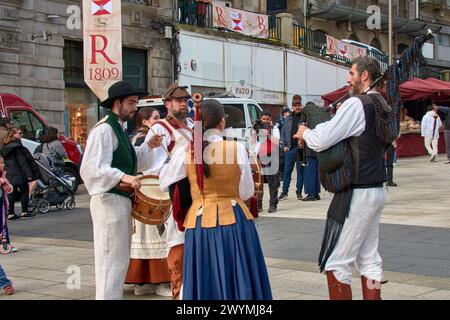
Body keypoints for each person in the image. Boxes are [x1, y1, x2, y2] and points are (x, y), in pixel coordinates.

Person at [296, 56, 393, 300]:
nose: (348, 79)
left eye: (352, 73)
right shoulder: (383, 104)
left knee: (336, 261)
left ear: (365, 76)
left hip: (357, 191)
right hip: (377, 188)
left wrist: (305, 132)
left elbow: (322, 139)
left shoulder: (356, 104)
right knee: (369, 257)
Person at [160, 99, 272, 300]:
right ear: (222, 122)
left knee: (204, 277)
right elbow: (246, 191)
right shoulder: (236, 149)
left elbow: (164, 181)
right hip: (234, 219)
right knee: (238, 275)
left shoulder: (186, 151)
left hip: (199, 221)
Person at [79, 80, 163, 300]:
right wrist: (123, 176)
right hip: (109, 200)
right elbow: (92, 168)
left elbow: (132, 162)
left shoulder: (118, 128)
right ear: (118, 103)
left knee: (118, 260)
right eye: (131, 102)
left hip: (118, 199)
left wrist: (147, 146)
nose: (135, 108)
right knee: (110, 260)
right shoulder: (105, 129)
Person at [142, 82, 194, 300]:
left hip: (194, 193)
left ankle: (190, 287)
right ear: (168, 104)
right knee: (176, 242)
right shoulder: (159, 128)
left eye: (185, 101)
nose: (184, 104)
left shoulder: (192, 123)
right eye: (179, 101)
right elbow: (151, 167)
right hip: (173, 194)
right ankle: (177, 289)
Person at [124, 106, 171, 297]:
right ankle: (157, 280)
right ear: (144, 121)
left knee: (142, 237)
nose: (159, 121)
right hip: (149, 191)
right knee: (153, 235)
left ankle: (142, 282)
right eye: (155, 117)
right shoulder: (146, 139)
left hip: (142, 191)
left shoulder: (135, 138)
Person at [2, 128, 40, 220]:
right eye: (19, 133)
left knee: (12, 193)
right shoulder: (17, 146)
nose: (21, 135)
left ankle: (10, 213)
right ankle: (24, 212)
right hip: (19, 172)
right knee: (25, 191)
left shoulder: (5, 146)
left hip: (10, 172)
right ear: (13, 135)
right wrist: (29, 173)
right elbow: (22, 161)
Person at [251, 111, 280, 213]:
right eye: (264, 119)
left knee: (273, 183)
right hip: (259, 157)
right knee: (259, 182)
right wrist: (255, 131)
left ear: (270, 119)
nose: (266, 121)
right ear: (261, 119)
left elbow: (276, 141)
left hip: (272, 157)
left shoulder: (274, 128)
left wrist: (267, 133)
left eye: (267, 119)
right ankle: (259, 204)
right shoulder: (258, 128)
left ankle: (273, 204)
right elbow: (252, 142)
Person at [279, 95, 304, 200]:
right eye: (295, 105)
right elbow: (283, 133)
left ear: (301, 105)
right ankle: (285, 192)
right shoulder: (288, 118)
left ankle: (299, 192)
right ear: (292, 106)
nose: (297, 107)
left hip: (300, 149)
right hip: (289, 149)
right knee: (287, 171)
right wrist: (283, 146)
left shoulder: (305, 117)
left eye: (299, 105)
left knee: (300, 172)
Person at [301, 102, 321, 201]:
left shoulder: (310, 119)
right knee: (316, 172)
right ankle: (316, 192)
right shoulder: (319, 118)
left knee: (310, 172)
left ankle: (311, 193)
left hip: (310, 149)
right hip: (317, 148)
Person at [0, 155, 15, 254]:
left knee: (3, 223)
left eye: (2, 162)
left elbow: (9, 189)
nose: (3, 164)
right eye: (1, 163)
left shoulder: (2, 175)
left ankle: (5, 242)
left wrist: (7, 185)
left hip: (1, 201)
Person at [276, 108, 291, 181]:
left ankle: (286, 175)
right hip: (282, 143)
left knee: (287, 161)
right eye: (287, 113)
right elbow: (276, 128)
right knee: (281, 160)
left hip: (289, 143)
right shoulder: (281, 121)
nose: (288, 114)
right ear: (284, 114)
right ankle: (281, 175)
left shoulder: (291, 120)